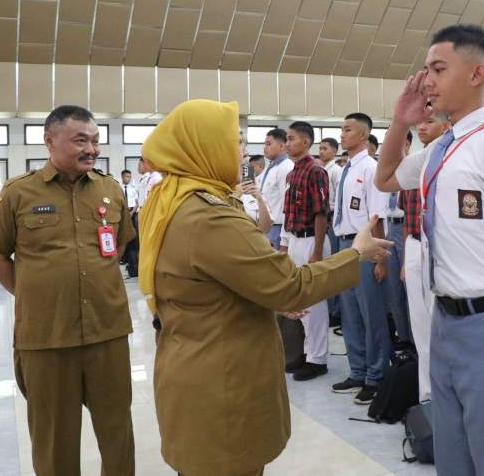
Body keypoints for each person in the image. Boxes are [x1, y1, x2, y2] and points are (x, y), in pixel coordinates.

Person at [137, 99, 391, 476]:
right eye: (232, 140)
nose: (241, 150)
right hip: (221, 384)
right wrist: (356, 255)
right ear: (203, 146)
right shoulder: (210, 216)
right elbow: (291, 285)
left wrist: (269, 296)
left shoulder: (171, 199)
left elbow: (213, 282)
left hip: (189, 366)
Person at [376, 24, 484, 476]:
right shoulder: (443, 149)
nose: (427, 81)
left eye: (438, 69)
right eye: (426, 70)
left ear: (476, 75)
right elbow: (387, 177)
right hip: (446, 323)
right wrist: (401, 118)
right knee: (453, 461)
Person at [0, 105, 136, 476]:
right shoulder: (18, 192)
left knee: (117, 433)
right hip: (47, 337)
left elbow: (121, 244)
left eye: (96, 141)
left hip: (107, 331)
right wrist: (31, 294)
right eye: (81, 140)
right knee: (54, 439)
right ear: (49, 140)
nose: (92, 149)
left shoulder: (110, 190)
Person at [331, 112, 392, 405]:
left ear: (364, 136)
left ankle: (375, 376)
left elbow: (376, 215)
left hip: (366, 249)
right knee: (350, 314)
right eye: (341, 130)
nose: (342, 135)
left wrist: (380, 260)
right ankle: (357, 371)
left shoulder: (370, 168)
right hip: (345, 246)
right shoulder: (346, 168)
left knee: (372, 315)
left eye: (347, 130)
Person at [399, 116, 447, 402]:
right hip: (415, 244)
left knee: (439, 322)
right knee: (420, 325)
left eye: (430, 121)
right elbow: (409, 215)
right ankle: (426, 396)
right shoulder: (417, 162)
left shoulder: (450, 157)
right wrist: (407, 259)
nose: (422, 126)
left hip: (440, 247)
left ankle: (443, 394)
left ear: (446, 126)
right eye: (420, 122)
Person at [280, 121, 333, 381]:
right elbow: (289, 213)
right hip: (295, 240)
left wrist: (318, 251)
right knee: (299, 301)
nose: (287, 143)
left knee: (314, 304)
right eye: (286, 139)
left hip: (313, 240)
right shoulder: (292, 173)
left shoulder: (316, 171)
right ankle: (304, 352)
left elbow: (321, 213)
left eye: (291, 139)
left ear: (306, 142)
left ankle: (318, 359)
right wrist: (286, 245)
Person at [382, 131, 414, 347]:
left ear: (408, 143)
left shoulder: (414, 166)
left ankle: (414, 339)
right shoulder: (386, 171)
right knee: (393, 288)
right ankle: (402, 337)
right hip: (390, 228)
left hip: (407, 228)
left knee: (409, 287)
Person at [319, 137, 344, 325]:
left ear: (334, 151)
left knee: (334, 263)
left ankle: (335, 309)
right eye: (319, 148)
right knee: (326, 262)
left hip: (333, 218)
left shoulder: (336, 171)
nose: (321, 151)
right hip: (324, 219)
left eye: (325, 148)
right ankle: (329, 307)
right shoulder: (322, 169)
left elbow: (339, 198)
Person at [261, 128, 294, 249]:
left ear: (281, 146)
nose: (265, 147)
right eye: (265, 144)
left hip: (278, 229)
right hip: (267, 227)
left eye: (269, 144)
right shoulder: (272, 167)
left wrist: (285, 241)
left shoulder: (286, 168)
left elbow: (288, 205)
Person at [121, 169, 139, 277]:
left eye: (129, 177)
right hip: (123, 213)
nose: (128, 178)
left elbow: (137, 203)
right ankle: (125, 260)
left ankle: (133, 266)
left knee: (132, 237)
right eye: (126, 176)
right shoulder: (119, 188)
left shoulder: (133, 189)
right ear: (122, 177)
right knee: (124, 237)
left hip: (132, 213)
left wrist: (132, 212)